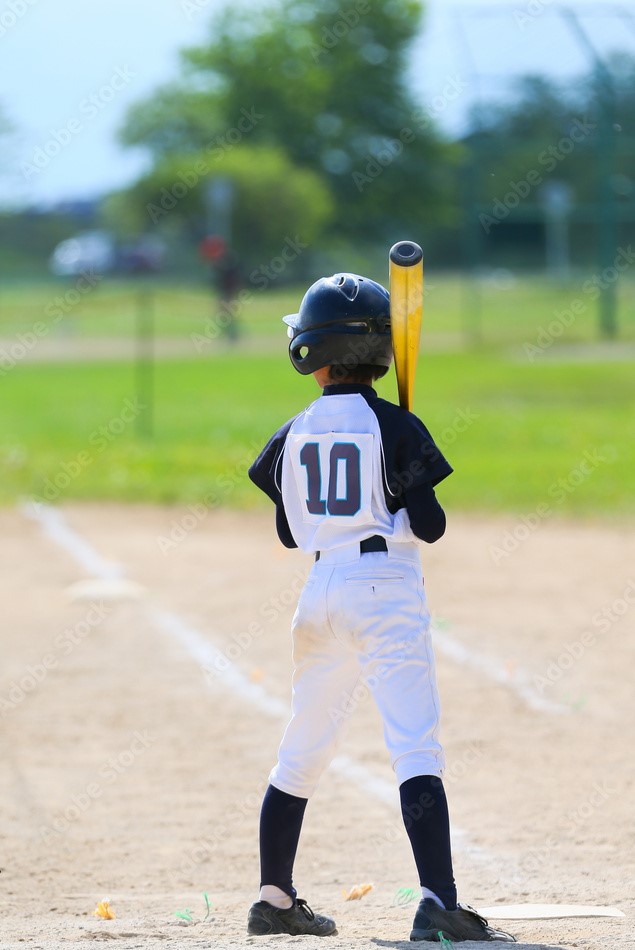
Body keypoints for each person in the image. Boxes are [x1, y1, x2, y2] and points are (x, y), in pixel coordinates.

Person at [247, 273, 516, 943]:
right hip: (384, 591)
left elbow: (288, 531)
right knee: (414, 748)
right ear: (381, 352)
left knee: (301, 751)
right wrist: (401, 480)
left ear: (314, 353)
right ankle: (437, 903)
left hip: (318, 595)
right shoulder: (394, 424)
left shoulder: (295, 429)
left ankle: (274, 897)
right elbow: (430, 527)